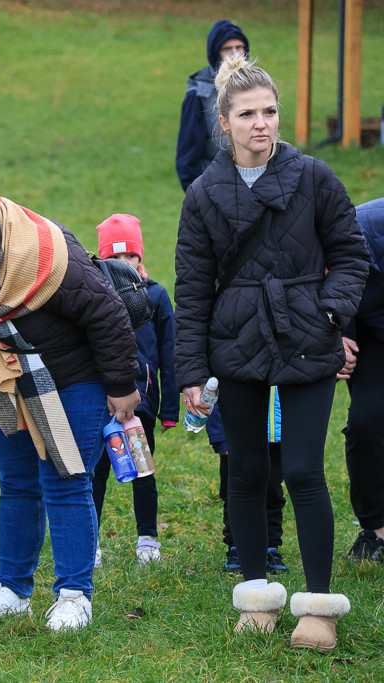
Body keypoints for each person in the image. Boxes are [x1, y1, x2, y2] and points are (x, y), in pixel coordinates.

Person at [174, 55, 368, 652]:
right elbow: (191, 288)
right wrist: (191, 370)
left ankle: (317, 606)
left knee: (306, 471)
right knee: (249, 471)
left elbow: (352, 253)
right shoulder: (204, 193)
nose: (262, 123)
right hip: (236, 344)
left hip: (306, 338)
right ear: (225, 123)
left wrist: (330, 313)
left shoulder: (314, 176)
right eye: (247, 114)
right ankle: (256, 597)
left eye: (270, 111)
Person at [0, 187, 140, 631]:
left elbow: (107, 314)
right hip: (2, 375)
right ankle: (12, 590)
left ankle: (75, 595)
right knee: (15, 482)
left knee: (65, 479)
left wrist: (121, 384)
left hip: (73, 377)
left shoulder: (43, 254)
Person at [91, 214, 175, 565]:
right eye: (116, 257)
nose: (124, 264)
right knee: (95, 471)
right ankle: (89, 542)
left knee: (143, 468)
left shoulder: (155, 295)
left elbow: (170, 354)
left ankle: (147, 539)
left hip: (141, 400)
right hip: (100, 401)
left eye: (131, 257)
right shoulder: (92, 295)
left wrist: (169, 409)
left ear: (140, 258)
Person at [341, 198, 384, 563]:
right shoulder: (348, 232)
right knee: (365, 423)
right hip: (369, 336)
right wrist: (334, 335)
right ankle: (377, 529)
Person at [208, 399, 290, 574]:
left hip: (276, 433)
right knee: (234, 490)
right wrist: (220, 435)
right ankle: (236, 547)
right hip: (236, 434)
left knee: (273, 490)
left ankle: (270, 546)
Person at [175, 20, 248, 191]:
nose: (235, 54)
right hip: (215, 190)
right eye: (227, 49)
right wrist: (199, 199)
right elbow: (187, 159)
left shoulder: (257, 89)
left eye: (239, 47)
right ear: (215, 54)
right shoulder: (199, 95)